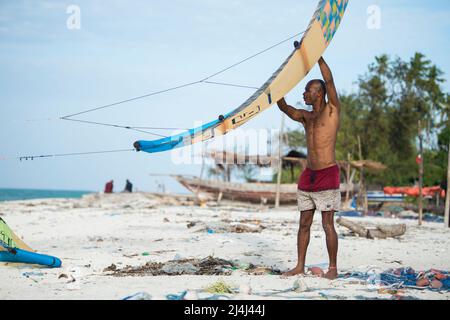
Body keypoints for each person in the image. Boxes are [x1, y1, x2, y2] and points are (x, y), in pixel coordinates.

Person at [277, 56, 340, 280]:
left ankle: (332, 269)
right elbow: (284, 107)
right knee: (304, 223)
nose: (304, 94)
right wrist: (277, 87)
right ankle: (299, 266)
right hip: (308, 176)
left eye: (308, 90)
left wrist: (316, 55)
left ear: (318, 93)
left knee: (327, 223)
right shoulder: (306, 117)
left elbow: (329, 81)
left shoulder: (332, 110)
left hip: (327, 174)